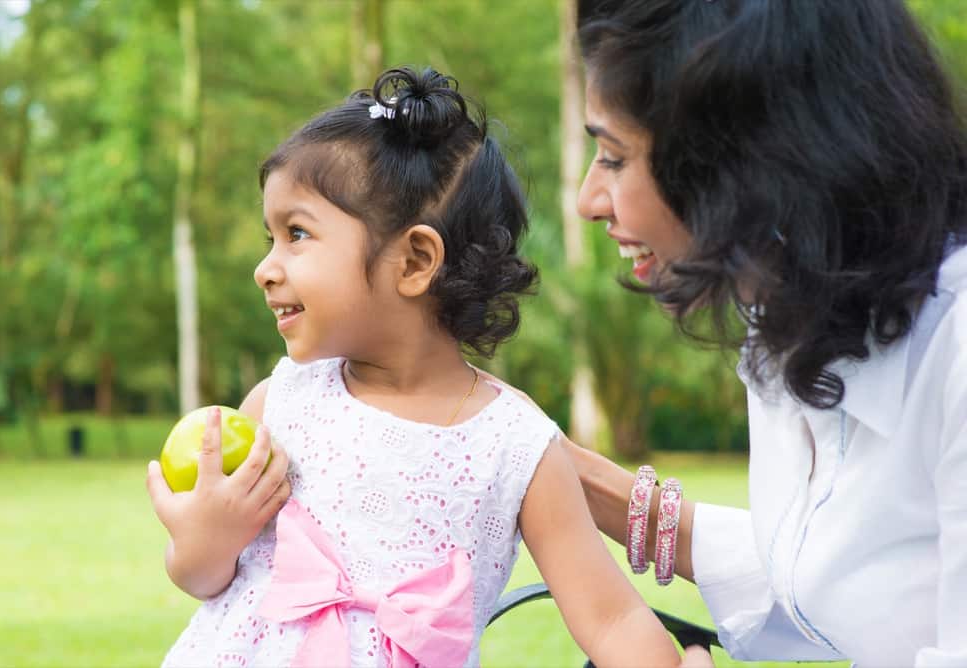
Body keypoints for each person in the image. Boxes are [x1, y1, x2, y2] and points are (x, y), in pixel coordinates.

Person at [146, 67, 684, 668]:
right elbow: (203, 580)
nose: (265, 268)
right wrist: (203, 542)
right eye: (270, 237)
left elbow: (612, 620)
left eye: (296, 234)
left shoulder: (515, 443)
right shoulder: (280, 403)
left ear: (415, 261)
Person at [557, 0, 967, 666]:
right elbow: (823, 573)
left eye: (612, 156)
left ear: (739, 162)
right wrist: (554, 466)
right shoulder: (790, 318)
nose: (587, 200)